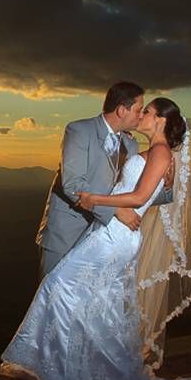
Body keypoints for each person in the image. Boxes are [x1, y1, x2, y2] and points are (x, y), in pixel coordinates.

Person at [0, 97, 191, 380]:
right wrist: (118, 204)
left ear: (162, 120)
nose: (142, 116)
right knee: (95, 304)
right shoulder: (152, 151)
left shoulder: (161, 152)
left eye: (147, 112)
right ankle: (81, 373)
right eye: (141, 109)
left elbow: (139, 197)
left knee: (59, 286)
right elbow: (140, 192)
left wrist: (96, 199)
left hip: (116, 238)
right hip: (112, 234)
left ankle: (70, 373)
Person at [34, 81, 145, 283]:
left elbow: (132, 188)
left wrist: (167, 186)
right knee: (51, 301)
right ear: (122, 110)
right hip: (66, 234)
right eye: (139, 110)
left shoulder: (131, 144)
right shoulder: (79, 130)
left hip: (100, 240)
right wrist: (115, 211)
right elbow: (73, 185)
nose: (141, 116)